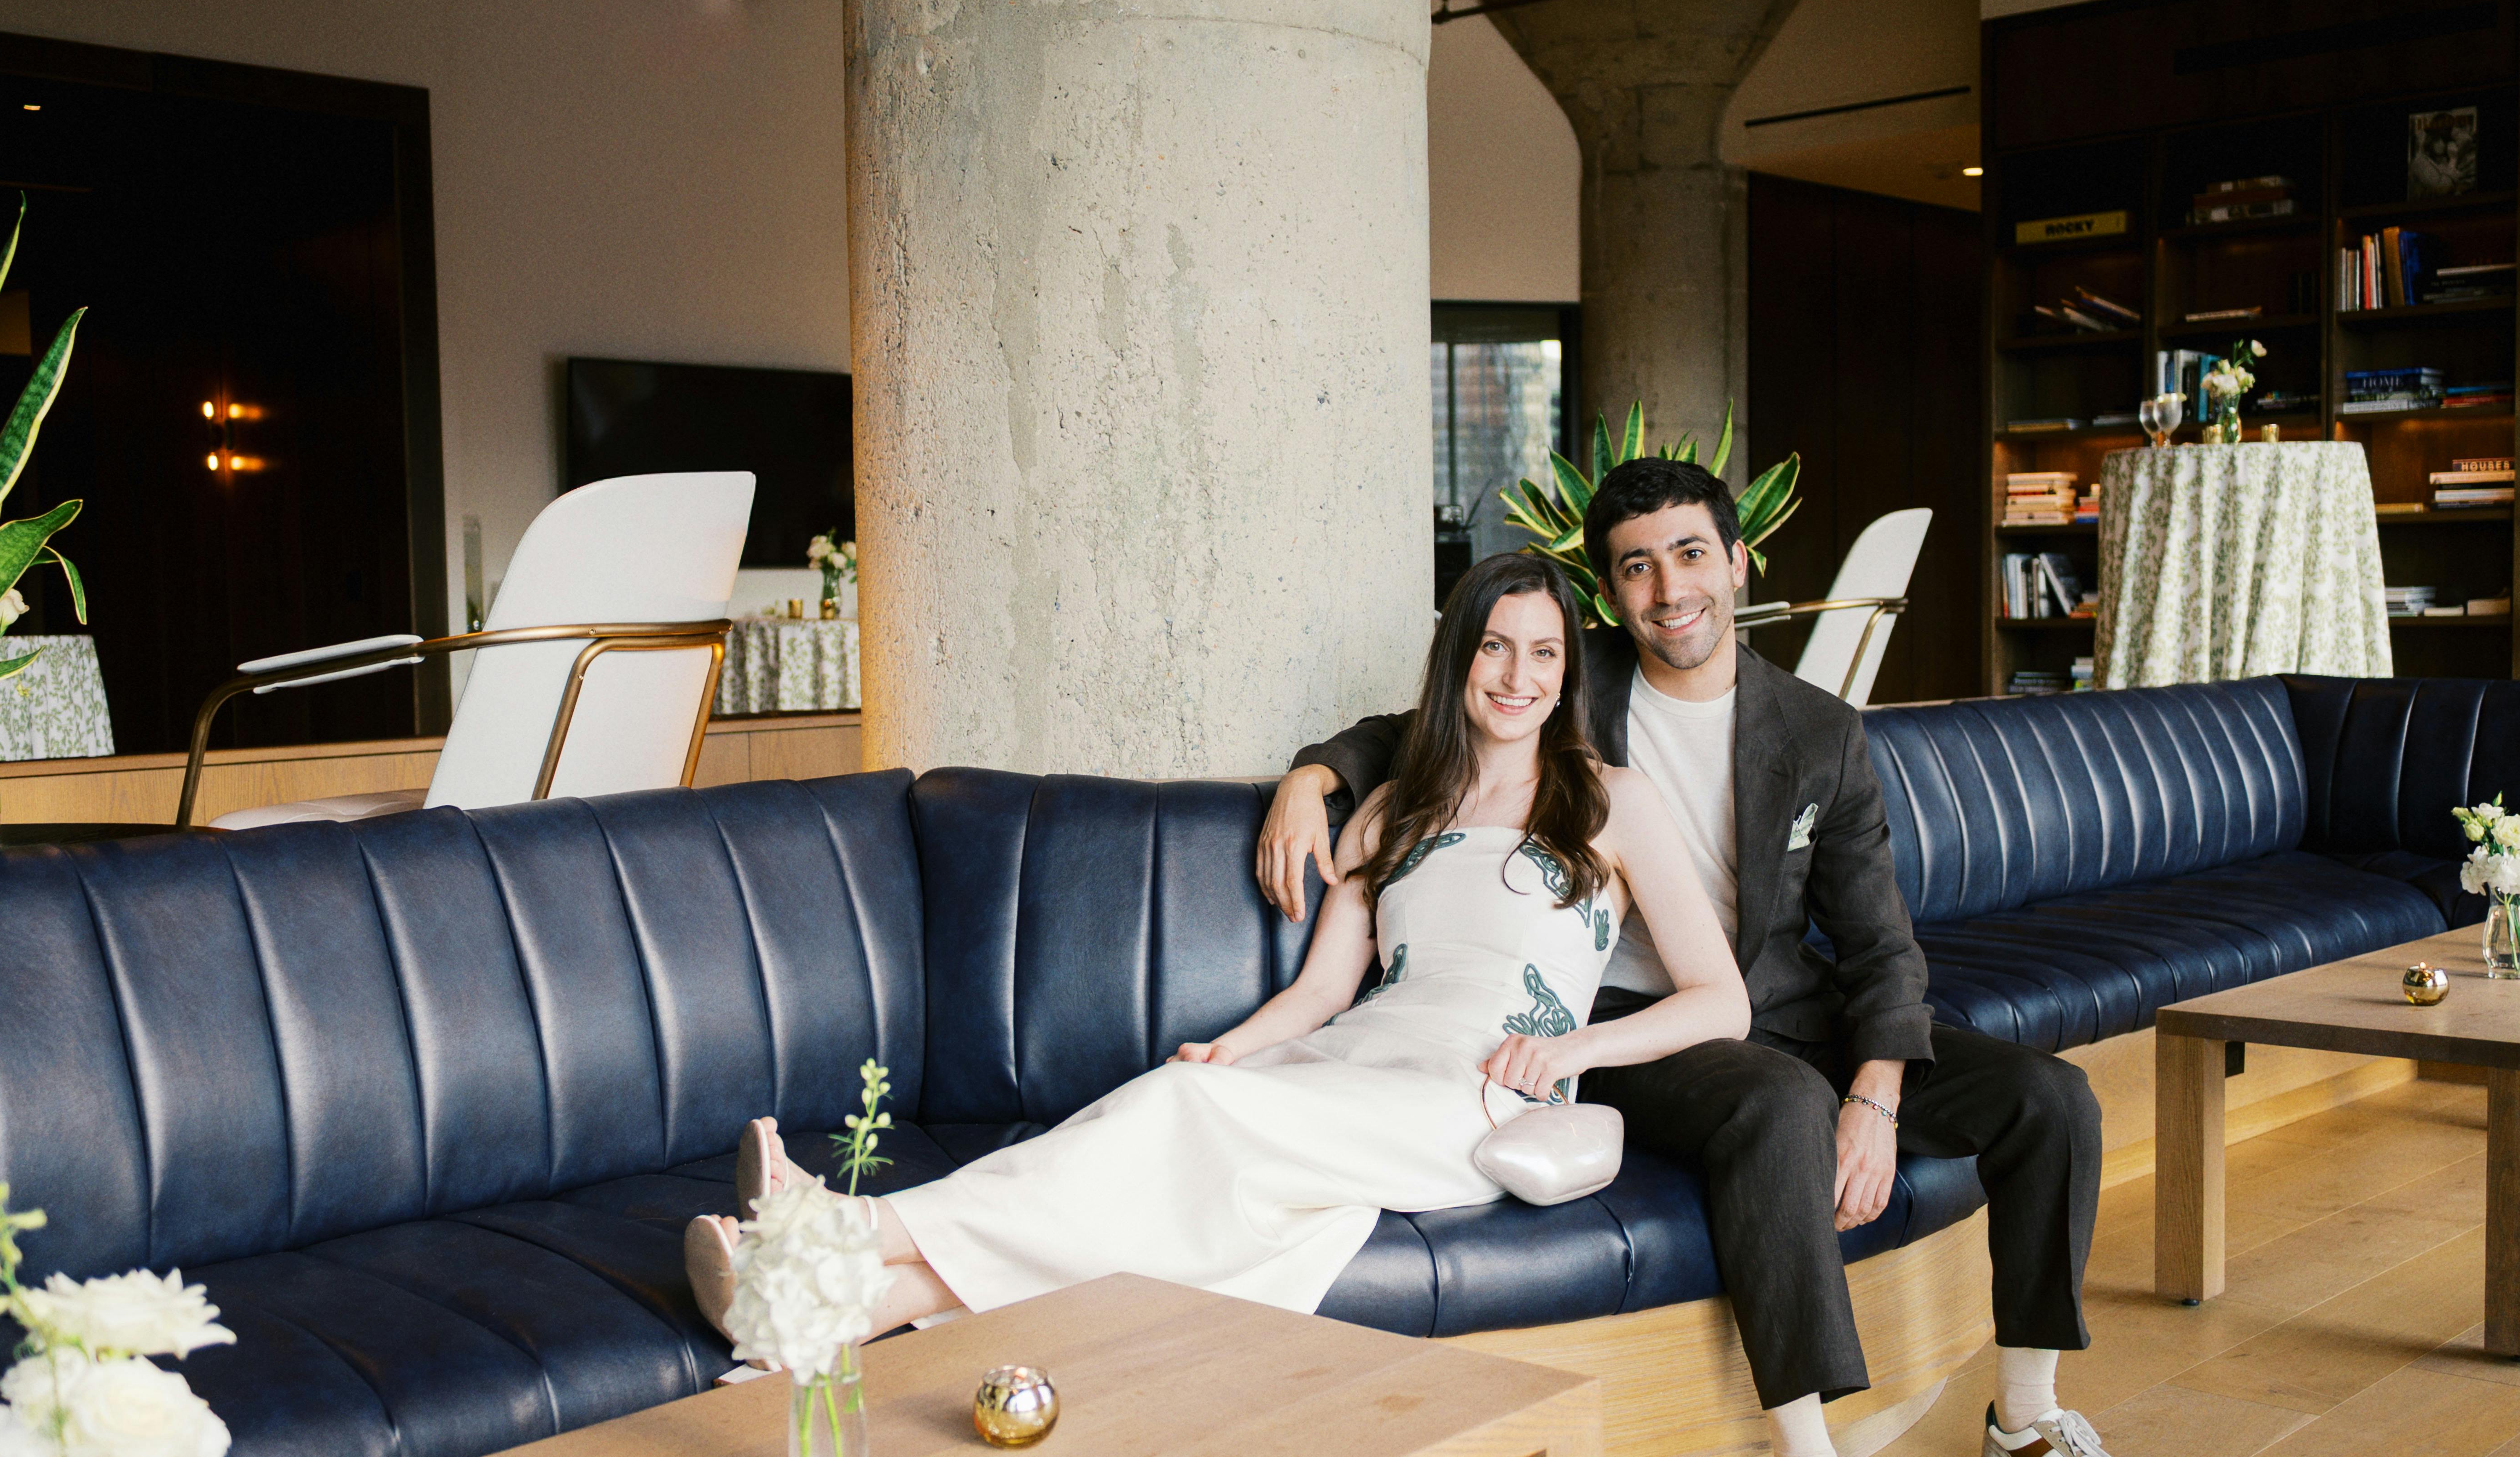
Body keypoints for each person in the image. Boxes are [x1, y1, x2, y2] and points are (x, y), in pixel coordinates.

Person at [1260, 458, 2175, 1457]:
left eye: (1690, 554)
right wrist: (1313, 776)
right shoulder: (1571, 677)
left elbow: (1878, 942)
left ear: (1738, 564)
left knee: (2049, 1101)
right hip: (1625, 1027)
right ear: (1610, 593)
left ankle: (2030, 1421)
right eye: (1636, 568)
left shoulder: (1817, 730)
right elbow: (1416, 726)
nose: (1668, 589)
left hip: (1789, 1008)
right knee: (1776, 1106)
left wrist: (1877, 1095)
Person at [684, 551, 1749, 1359]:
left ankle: (843, 1226)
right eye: (1494, 648)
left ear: (1566, 672)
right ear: (1457, 661)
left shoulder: (1614, 802)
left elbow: (1719, 1002)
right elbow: (1324, 991)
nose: (1517, 676)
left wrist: (1572, 1052)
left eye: (1544, 652)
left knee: (1184, 1123)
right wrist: (1234, 1048)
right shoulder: (1391, 811)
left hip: (1479, 1093)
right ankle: (836, 1309)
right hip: (1355, 1063)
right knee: (1171, 1099)